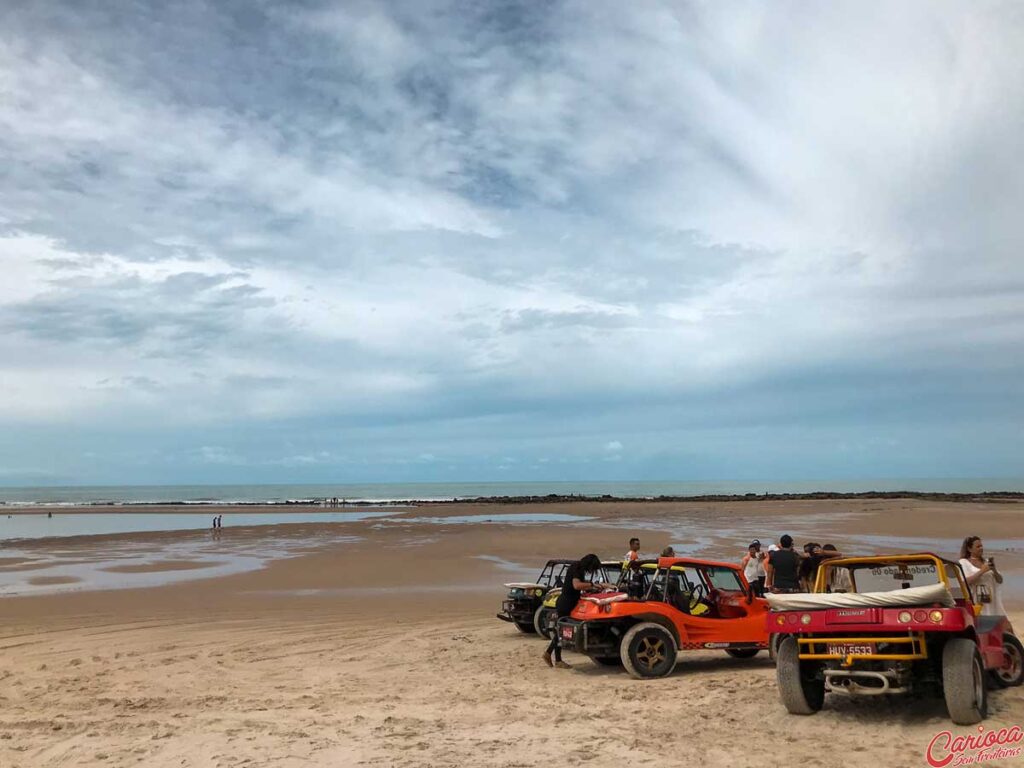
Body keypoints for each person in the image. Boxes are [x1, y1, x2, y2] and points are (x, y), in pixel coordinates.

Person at [543, 554, 614, 669]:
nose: (591, 571)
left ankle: (554, 657)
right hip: (567, 603)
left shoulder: (576, 567)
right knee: (561, 631)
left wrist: (594, 587)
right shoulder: (577, 568)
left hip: (566, 602)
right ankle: (553, 656)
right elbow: (576, 586)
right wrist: (594, 585)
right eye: (593, 568)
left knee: (560, 630)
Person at [959, 536, 1007, 618]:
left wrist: (994, 570)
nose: (981, 548)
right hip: (976, 601)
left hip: (991, 600)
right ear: (969, 549)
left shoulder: (985, 562)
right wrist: (982, 571)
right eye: (978, 546)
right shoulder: (964, 562)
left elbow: (1000, 580)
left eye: (981, 546)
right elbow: (964, 582)